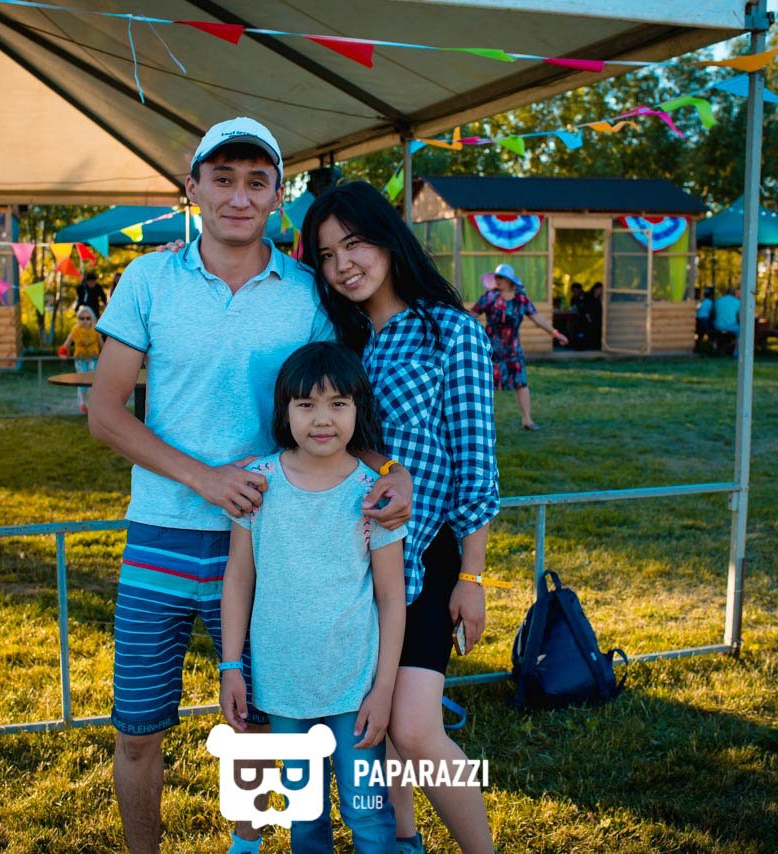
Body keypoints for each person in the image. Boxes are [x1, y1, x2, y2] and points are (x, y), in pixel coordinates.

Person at [86, 119, 412, 854]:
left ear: (278, 196)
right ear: (193, 187)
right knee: (137, 729)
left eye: (257, 182)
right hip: (161, 534)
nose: (239, 197)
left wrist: (398, 472)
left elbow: (343, 402)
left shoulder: (307, 293)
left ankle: (250, 844)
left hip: (275, 541)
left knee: (261, 727)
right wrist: (204, 478)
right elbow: (105, 414)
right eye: (223, 179)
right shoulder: (147, 280)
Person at [301, 181, 499, 854]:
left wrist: (472, 577)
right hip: (349, 560)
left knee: (415, 728)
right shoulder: (343, 340)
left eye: (354, 244)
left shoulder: (452, 331)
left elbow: (477, 465)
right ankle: (404, 841)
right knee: (376, 723)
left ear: (388, 239)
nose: (343, 265)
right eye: (327, 256)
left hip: (426, 554)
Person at [220, 341, 406, 853]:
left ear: (358, 409)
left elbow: (392, 598)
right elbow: (238, 578)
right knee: (305, 815)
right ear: (285, 410)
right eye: (306, 404)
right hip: (284, 686)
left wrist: (384, 690)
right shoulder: (258, 486)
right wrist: (230, 665)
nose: (322, 419)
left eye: (338, 403)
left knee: (367, 813)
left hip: (356, 687)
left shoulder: (374, 494)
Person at [472, 263, 567, 431]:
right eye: (496, 277)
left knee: (521, 383)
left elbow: (537, 318)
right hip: (490, 350)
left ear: (510, 281)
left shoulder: (521, 300)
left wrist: (555, 333)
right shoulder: (489, 297)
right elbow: (472, 315)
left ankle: (527, 420)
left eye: (501, 277)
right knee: (485, 384)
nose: (497, 280)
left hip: (513, 349)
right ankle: (480, 422)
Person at [59, 305, 102, 413]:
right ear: (78, 319)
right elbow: (66, 344)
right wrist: (63, 354)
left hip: (93, 358)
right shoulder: (75, 330)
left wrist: (107, 356)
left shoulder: (96, 329)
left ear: (92, 319)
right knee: (82, 381)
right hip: (80, 359)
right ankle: (82, 403)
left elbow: (101, 345)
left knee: (92, 381)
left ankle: (91, 404)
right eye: (82, 318)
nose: (85, 321)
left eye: (88, 318)